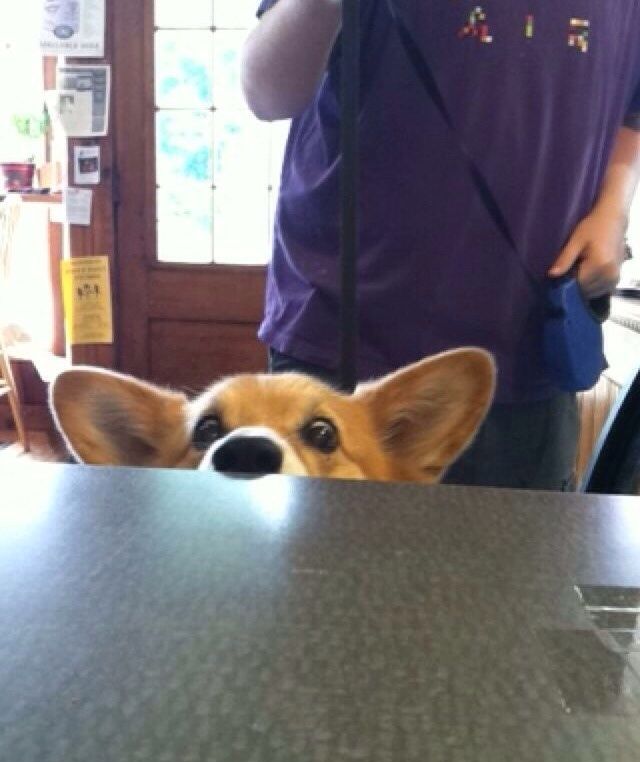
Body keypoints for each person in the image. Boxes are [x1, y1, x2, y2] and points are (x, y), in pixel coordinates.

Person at [241, 0, 640, 490]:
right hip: (347, 341)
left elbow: (632, 99)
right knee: (328, 565)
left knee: (516, 565)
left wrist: (615, 206)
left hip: (534, 338)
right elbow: (266, 91)